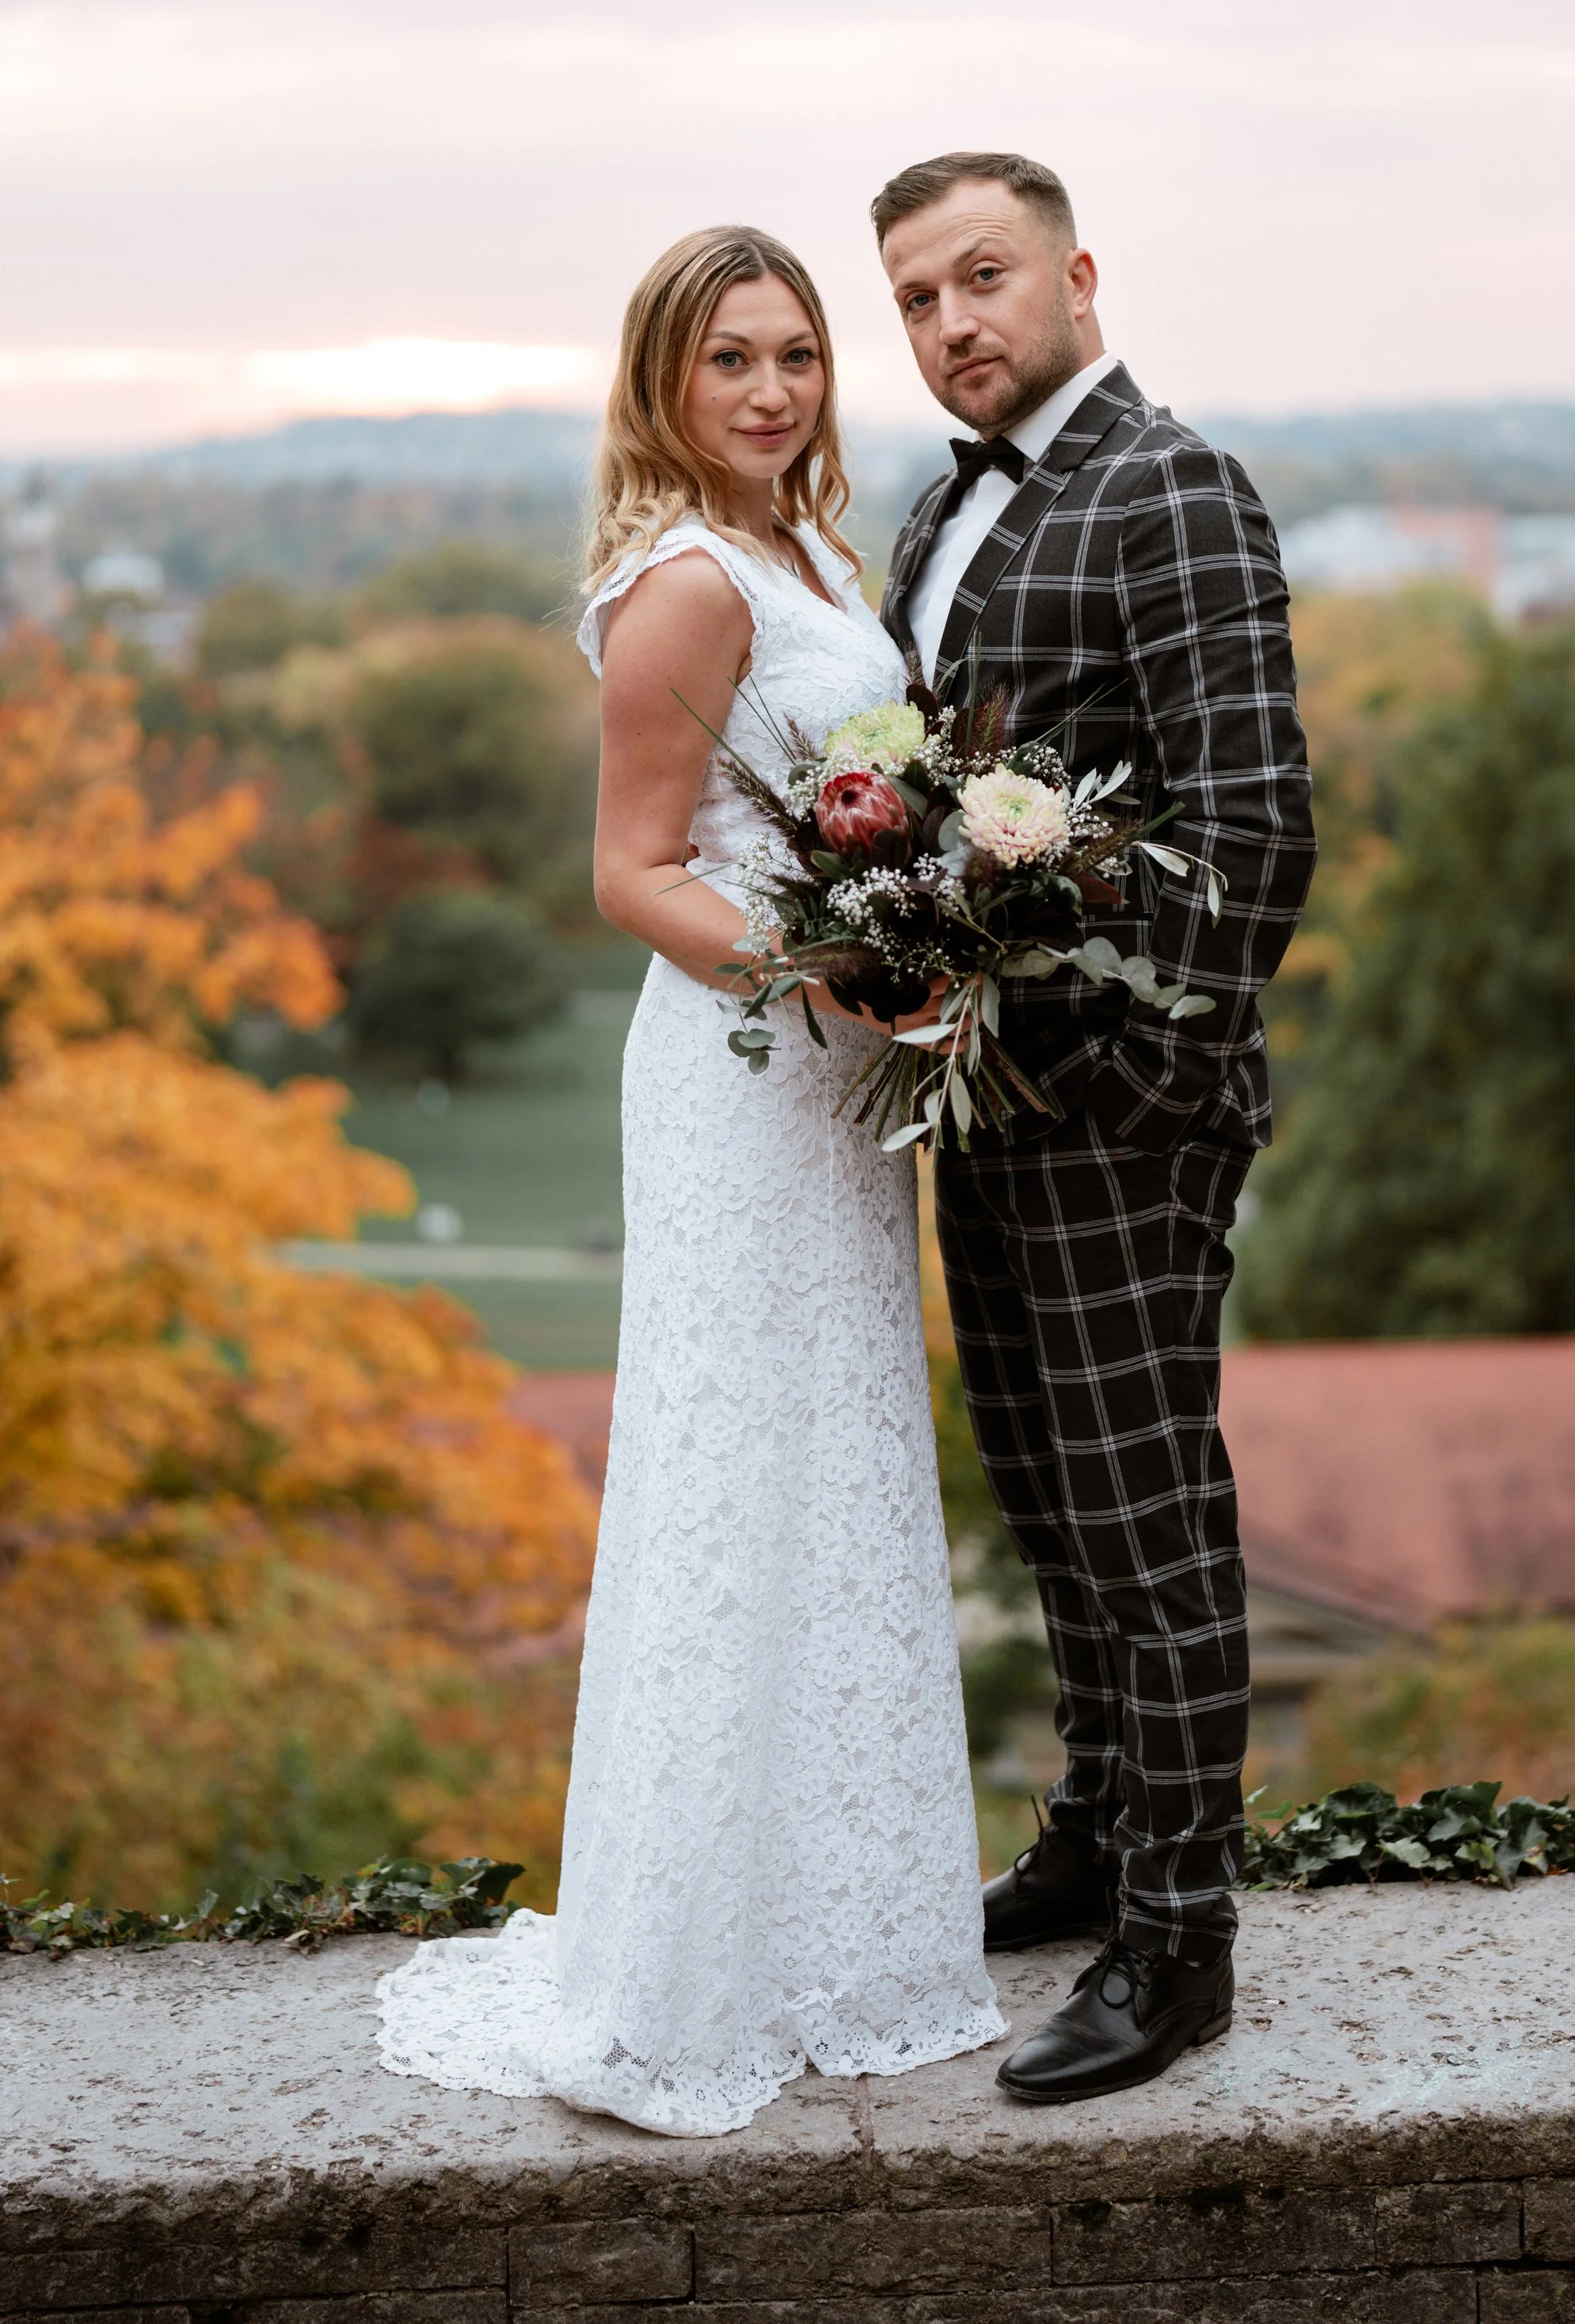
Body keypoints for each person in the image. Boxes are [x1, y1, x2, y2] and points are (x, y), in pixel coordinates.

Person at [374, 226, 1003, 2135]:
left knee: (835, 1464)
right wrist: (843, 969)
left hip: (828, 1095)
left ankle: (837, 1930)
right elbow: (632, 874)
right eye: (727, 358)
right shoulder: (683, 581)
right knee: (734, 1472)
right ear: (662, 382)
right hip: (743, 1078)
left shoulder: (814, 549)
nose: (769, 389)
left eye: (797, 354)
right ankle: (688, 1971)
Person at [876, 151, 1317, 2105]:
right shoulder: (933, 515)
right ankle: (1091, 1827)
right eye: (915, 299)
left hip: (1122, 1108)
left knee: (1151, 1523)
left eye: (981, 278)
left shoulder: (1173, 488)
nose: (952, 324)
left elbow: (1254, 832)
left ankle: (1177, 1941)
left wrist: (1146, 1082)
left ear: (1073, 271)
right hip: (982, 1101)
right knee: (1050, 1493)